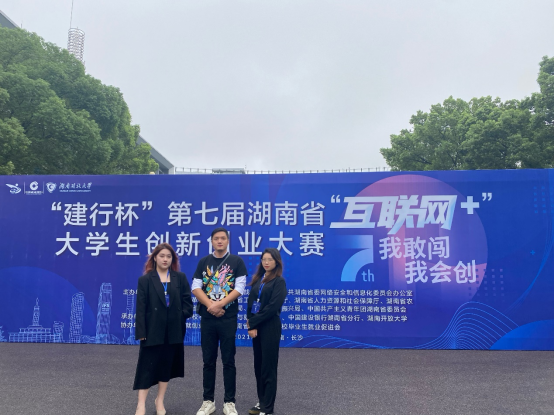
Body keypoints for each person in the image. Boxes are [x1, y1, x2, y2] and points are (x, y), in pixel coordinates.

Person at [192, 227, 247, 416]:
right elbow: (196, 287)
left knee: (228, 360)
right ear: (212, 241)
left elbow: (240, 288)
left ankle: (229, 402)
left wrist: (220, 304)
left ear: (228, 241)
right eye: (216, 238)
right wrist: (211, 306)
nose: (220, 241)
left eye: (223, 238)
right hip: (208, 319)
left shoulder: (237, 262)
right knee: (208, 360)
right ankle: (208, 401)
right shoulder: (203, 262)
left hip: (228, 318)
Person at [133, 243, 193, 416]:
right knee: (147, 367)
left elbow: (188, 303)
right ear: (155, 258)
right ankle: (141, 405)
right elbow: (141, 308)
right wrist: (141, 332)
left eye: (168, 256)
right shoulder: (145, 280)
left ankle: (159, 400)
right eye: (162, 256)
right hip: (152, 330)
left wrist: (180, 315)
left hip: (173, 330)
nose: (165, 259)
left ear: (172, 259)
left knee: (166, 367)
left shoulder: (179, 278)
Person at [246, 248, 287, 416]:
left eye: (270, 259)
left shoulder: (279, 282)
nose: (266, 262)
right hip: (257, 327)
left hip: (270, 326)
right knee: (259, 366)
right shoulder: (259, 280)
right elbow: (251, 303)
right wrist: (251, 325)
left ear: (276, 262)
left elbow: (272, 307)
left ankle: (268, 409)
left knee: (268, 367)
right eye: (264, 259)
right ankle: (262, 401)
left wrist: (253, 322)